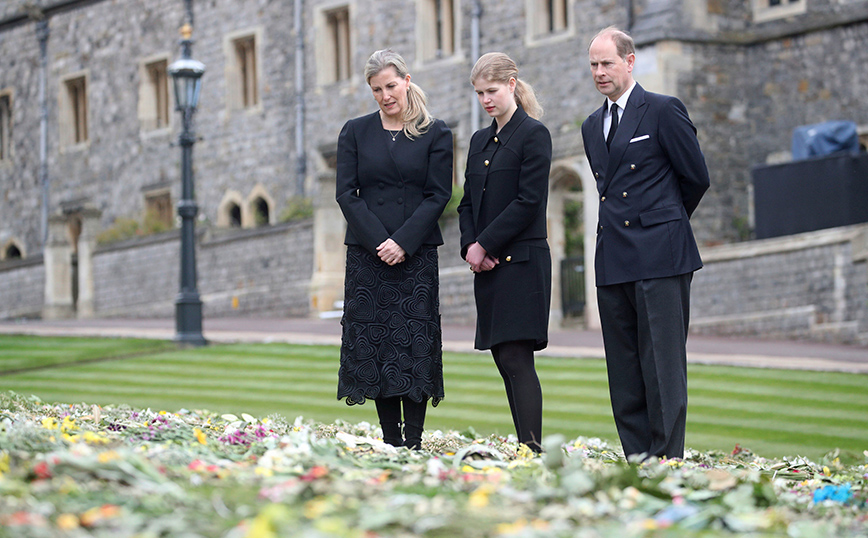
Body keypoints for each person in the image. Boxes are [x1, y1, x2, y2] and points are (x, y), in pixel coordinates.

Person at [581, 27, 710, 459]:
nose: (600, 72)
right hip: (613, 258)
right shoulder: (590, 126)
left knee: (663, 369)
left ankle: (667, 463)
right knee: (624, 371)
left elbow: (695, 178)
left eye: (608, 63)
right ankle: (638, 460)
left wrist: (663, 226)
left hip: (660, 257)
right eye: (594, 65)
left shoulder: (662, 110)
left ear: (629, 62)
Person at [335, 49, 453, 450]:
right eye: (376, 90)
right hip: (368, 258)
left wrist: (402, 241)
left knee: (413, 341)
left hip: (415, 255)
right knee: (379, 343)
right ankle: (389, 440)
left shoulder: (435, 133)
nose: (385, 95)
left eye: (390, 86)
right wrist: (379, 242)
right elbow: (346, 195)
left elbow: (438, 194)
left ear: (405, 80)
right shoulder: (354, 131)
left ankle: (415, 441)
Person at [458, 52, 552, 453]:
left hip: (523, 262)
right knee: (502, 358)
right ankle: (525, 449)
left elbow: (528, 201)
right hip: (489, 266)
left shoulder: (533, 134)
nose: (485, 100)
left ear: (512, 85)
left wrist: (485, 244)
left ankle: (531, 451)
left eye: (492, 91)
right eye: (479, 93)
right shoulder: (480, 139)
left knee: (516, 358)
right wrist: (469, 247)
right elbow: (466, 204)